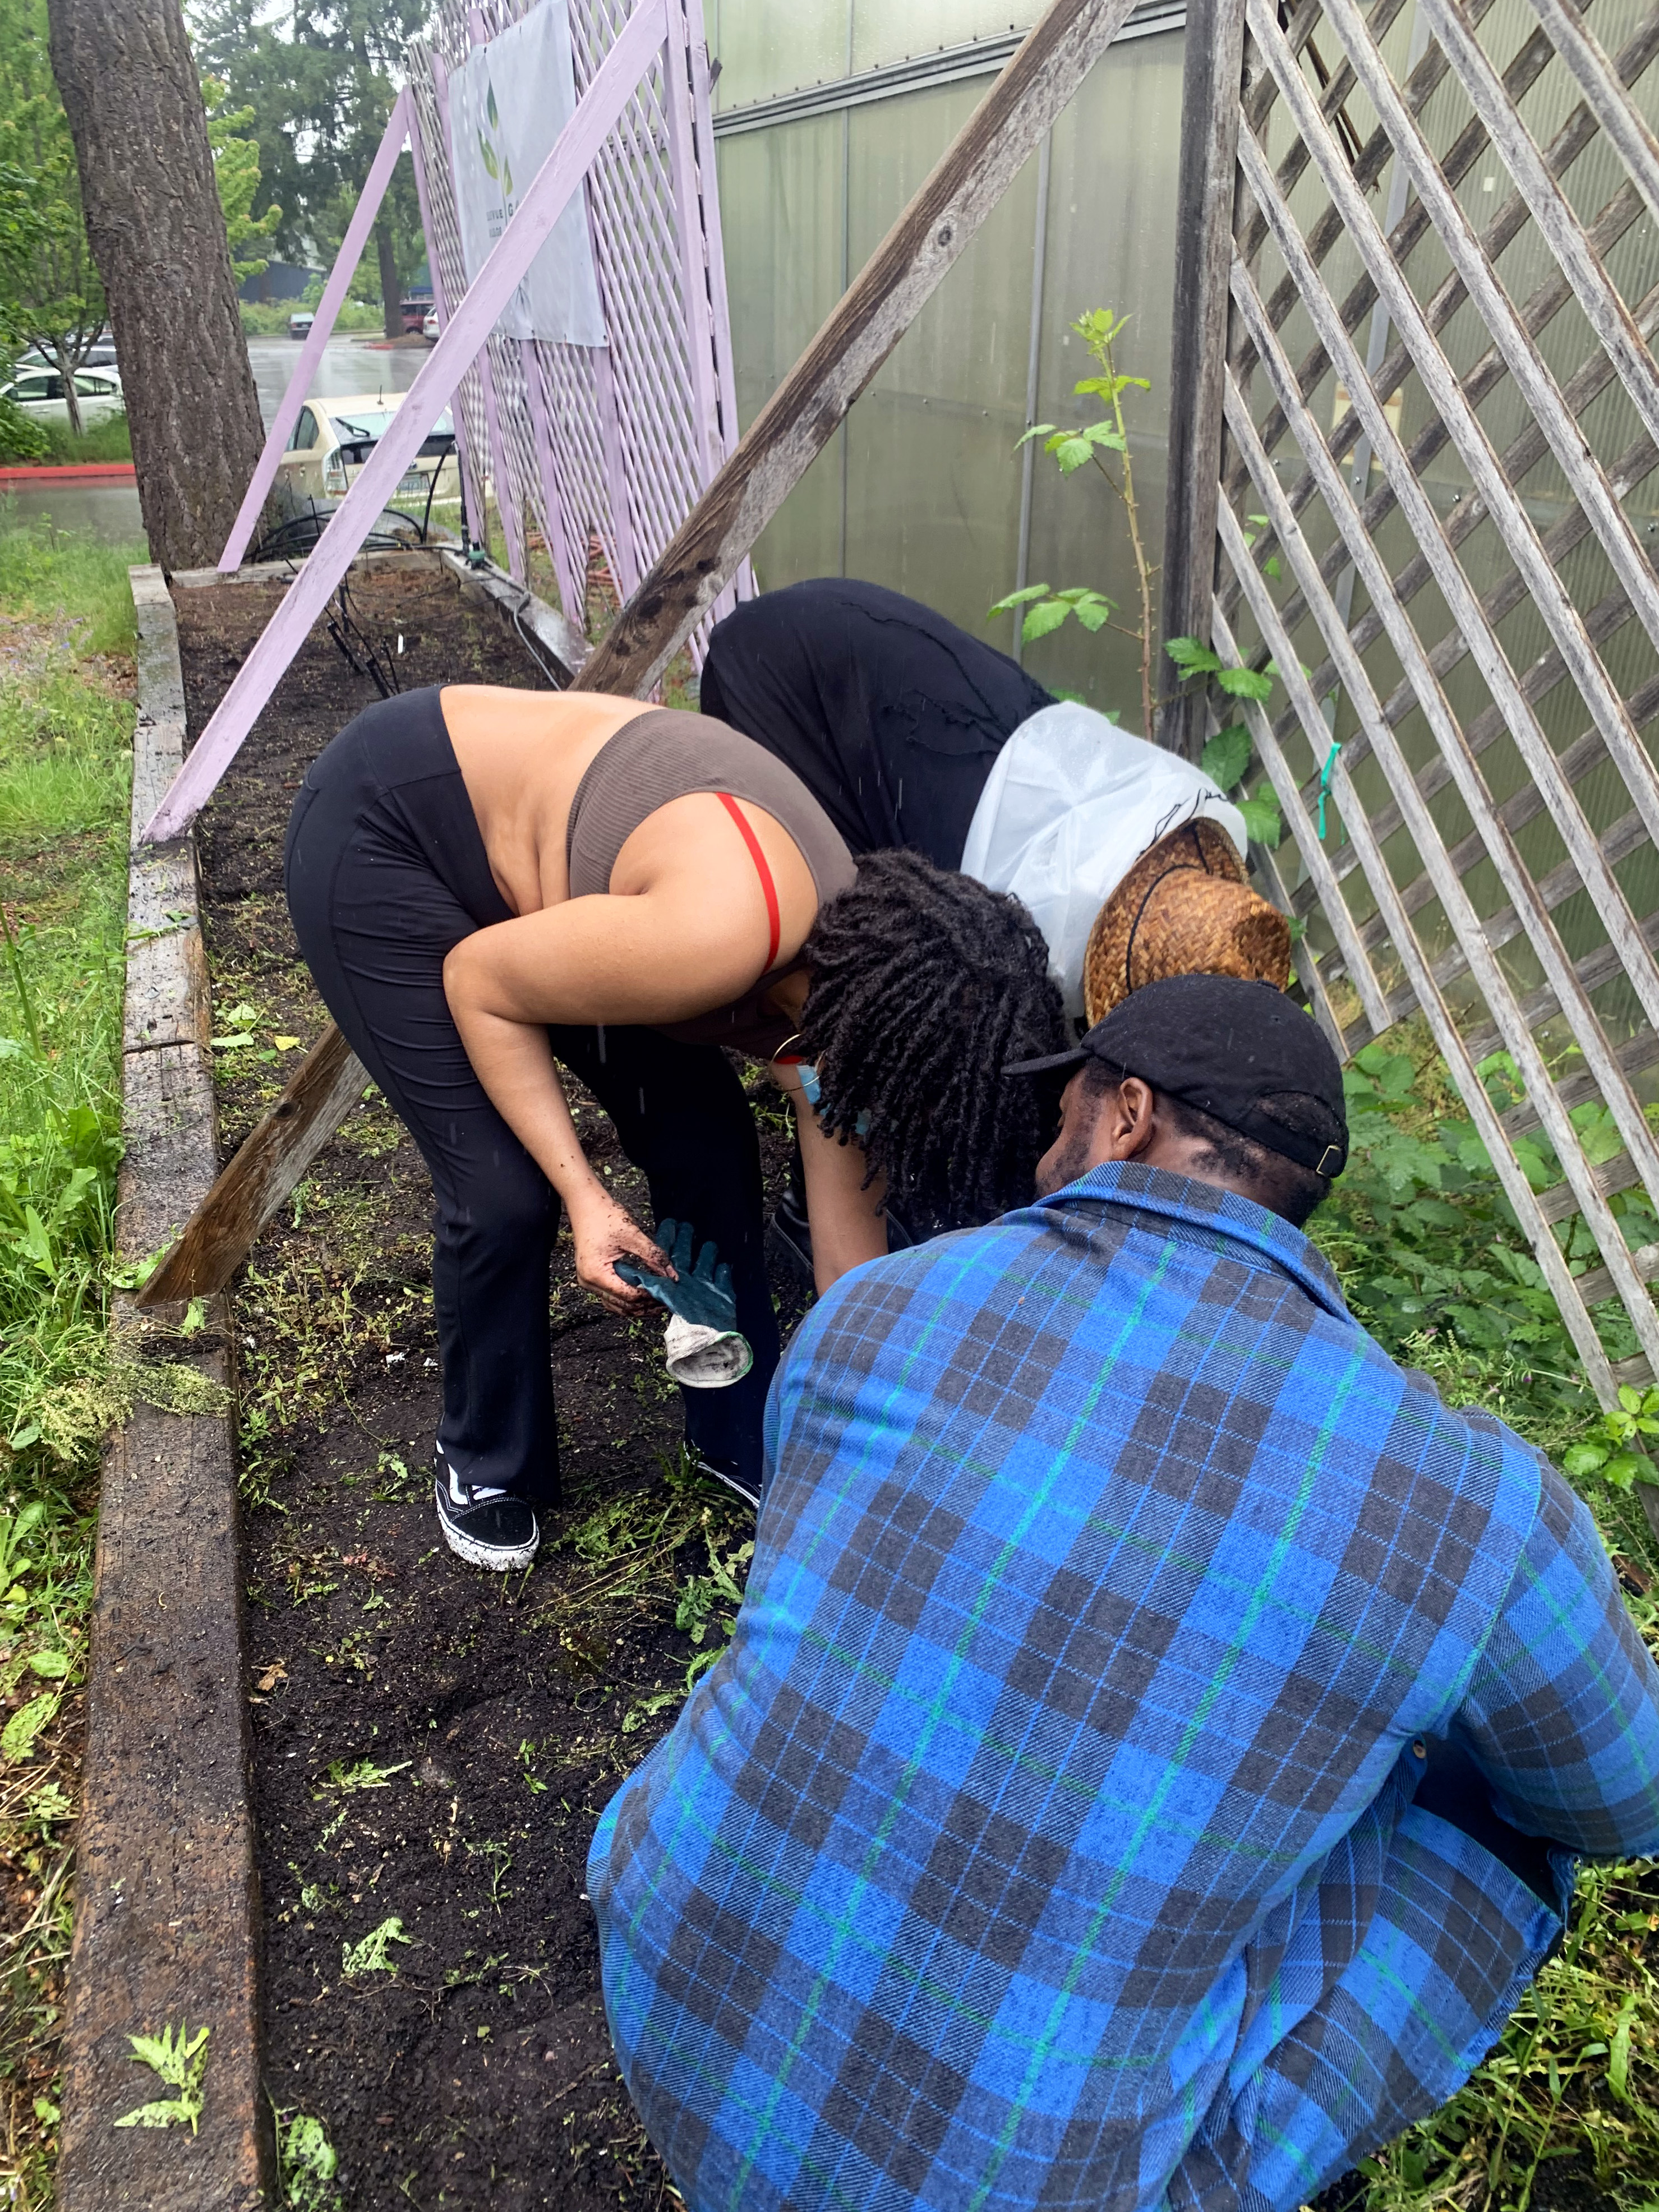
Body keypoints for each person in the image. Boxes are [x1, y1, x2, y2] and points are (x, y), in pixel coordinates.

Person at [588, 973, 1659, 2212]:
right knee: (1514, 1817)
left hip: (662, 1988)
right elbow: (1627, 1802)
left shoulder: (878, 1303)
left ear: (1131, 1115)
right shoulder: (1478, 1504)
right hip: (1010, 2186)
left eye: (1065, 1115)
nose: (1045, 1154)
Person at [283, 683, 1065, 1570]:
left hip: (587, 890)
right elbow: (479, 983)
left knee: (707, 1141)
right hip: (395, 832)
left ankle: (737, 1429)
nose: (891, 1128)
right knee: (505, 1192)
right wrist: (583, 1193)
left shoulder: (867, 985)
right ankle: (483, 1461)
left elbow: (852, 1280)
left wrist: (895, 1454)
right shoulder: (716, 939)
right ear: (892, 1051)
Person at [700, 578, 1292, 1271]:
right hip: (796, 682)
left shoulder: (1181, 858)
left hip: (919, 711)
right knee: (843, 972)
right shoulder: (1023, 924)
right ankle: (818, 1204)